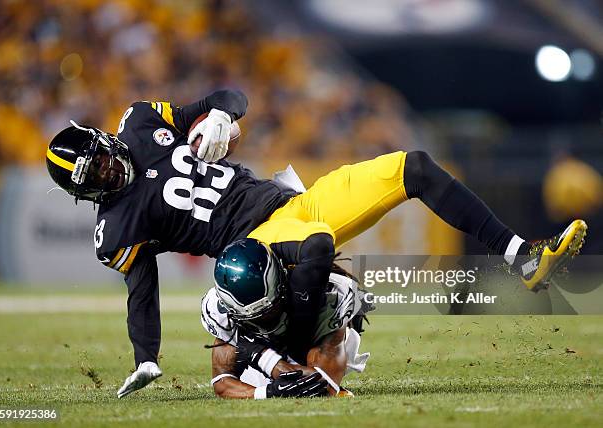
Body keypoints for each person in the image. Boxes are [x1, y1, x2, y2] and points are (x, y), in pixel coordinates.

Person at [45, 89, 587, 398]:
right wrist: (146, 357)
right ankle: (304, 361)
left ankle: (523, 256)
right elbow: (141, 289)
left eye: (103, 156)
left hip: (288, 200)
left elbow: (231, 95)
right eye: (94, 174)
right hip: (254, 242)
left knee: (413, 167)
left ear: (105, 140)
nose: (109, 171)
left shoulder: (141, 122)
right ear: (81, 190)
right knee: (318, 248)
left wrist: (221, 114)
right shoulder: (115, 227)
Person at [201, 238, 372, 399]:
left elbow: (324, 385)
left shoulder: (330, 297)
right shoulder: (221, 310)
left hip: (311, 335)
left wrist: (262, 356)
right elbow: (222, 383)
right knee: (259, 382)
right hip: (272, 350)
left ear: (282, 285)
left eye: (269, 311)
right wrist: (267, 392)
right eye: (254, 318)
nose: (264, 322)